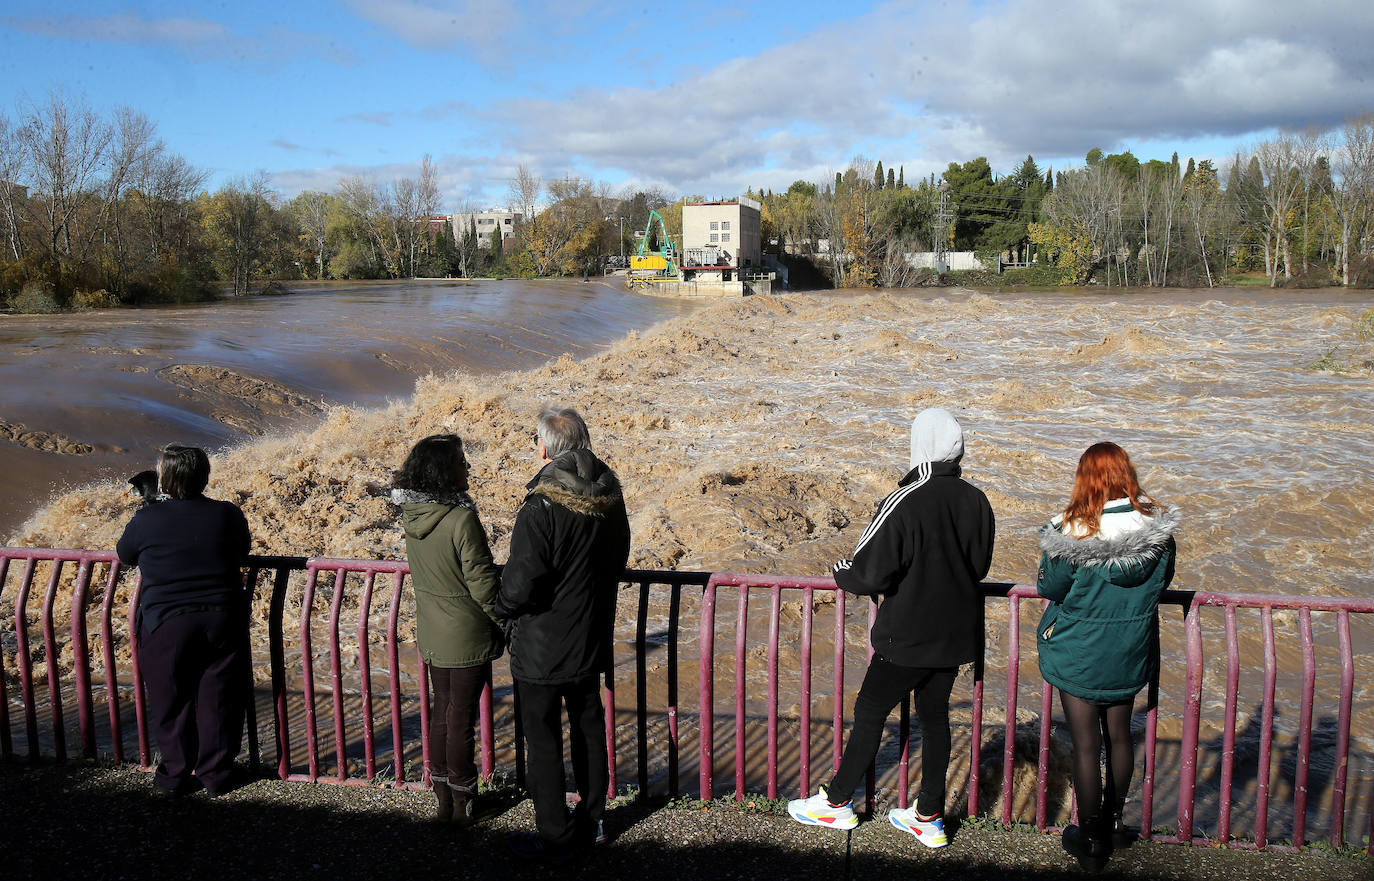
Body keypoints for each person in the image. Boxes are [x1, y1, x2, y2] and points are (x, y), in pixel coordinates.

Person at [787, 408, 995, 849]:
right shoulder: (977, 500)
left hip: (907, 634)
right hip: (955, 635)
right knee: (936, 721)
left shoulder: (905, 497)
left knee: (869, 714)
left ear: (919, 444)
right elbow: (978, 566)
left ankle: (837, 802)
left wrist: (841, 570)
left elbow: (868, 573)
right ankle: (929, 817)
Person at [1035, 442, 1179, 872]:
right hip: (1129, 650)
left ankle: (1092, 838)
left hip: (1079, 651)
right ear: (1126, 475)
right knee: (1120, 736)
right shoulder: (1156, 531)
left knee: (1085, 745)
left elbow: (1049, 588)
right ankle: (1116, 823)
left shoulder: (1071, 530)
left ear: (1085, 478)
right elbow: (1164, 580)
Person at [495, 407, 631, 860]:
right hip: (590, 635)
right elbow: (618, 558)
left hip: (542, 645)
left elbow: (520, 582)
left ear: (543, 450)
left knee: (544, 737)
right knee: (589, 730)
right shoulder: (610, 494)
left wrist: (501, 610)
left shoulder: (541, 506)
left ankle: (554, 834)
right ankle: (592, 821)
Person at [116, 444, 252, 796]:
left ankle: (175, 775)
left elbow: (125, 555)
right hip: (223, 617)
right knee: (219, 698)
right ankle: (216, 775)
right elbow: (242, 550)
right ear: (204, 477)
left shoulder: (147, 519)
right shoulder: (227, 513)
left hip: (167, 621)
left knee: (170, 699)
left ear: (164, 479)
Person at [392, 434, 503, 826]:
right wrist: (506, 621)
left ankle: (442, 797)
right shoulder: (461, 519)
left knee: (442, 712)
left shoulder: (413, 516)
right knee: (460, 720)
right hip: (466, 632)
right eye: (460, 460)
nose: (466, 467)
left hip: (432, 629)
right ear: (443, 471)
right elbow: (483, 583)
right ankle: (463, 800)